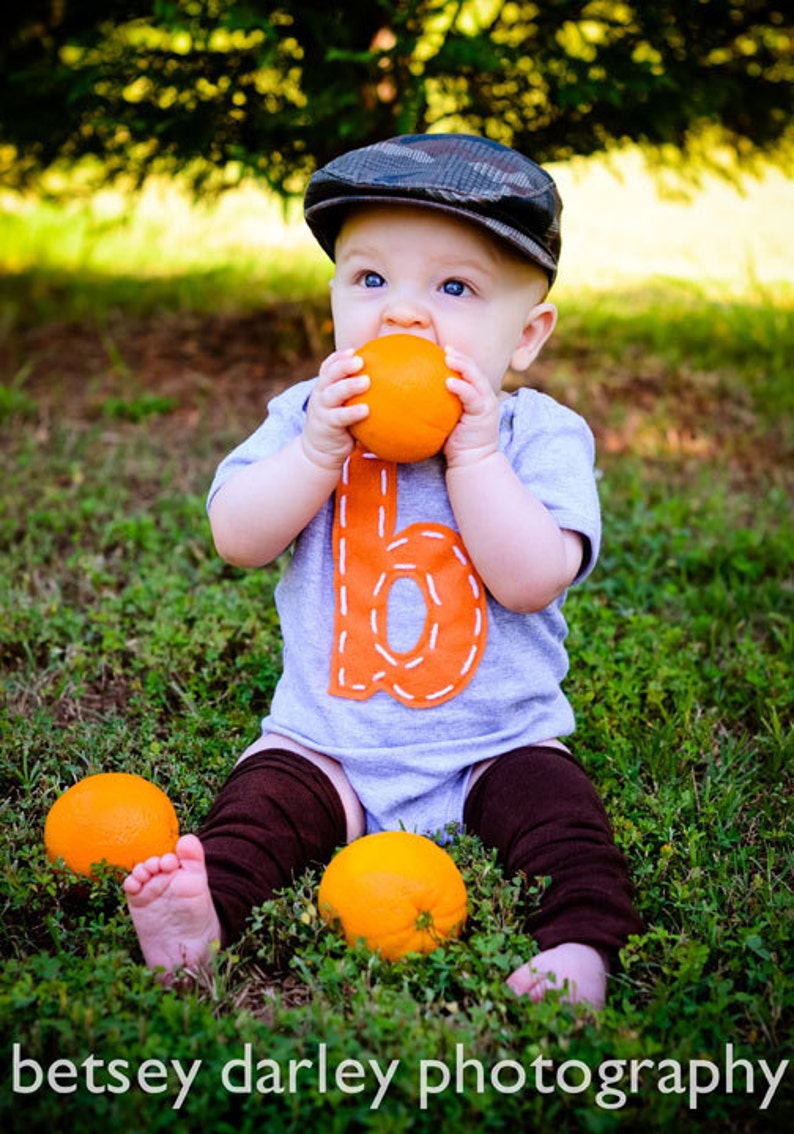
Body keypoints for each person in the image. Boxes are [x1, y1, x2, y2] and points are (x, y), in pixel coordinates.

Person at [124, 133, 643, 1008]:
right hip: (328, 741)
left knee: (564, 828)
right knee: (260, 809)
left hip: (496, 742)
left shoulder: (539, 437)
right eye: (370, 280)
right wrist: (317, 450)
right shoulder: (305, 417)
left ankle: (581, 949)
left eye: (453, 287)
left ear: (527, 335)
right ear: (333, 301)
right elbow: (236, 537)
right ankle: (201, 914)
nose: (402, 314)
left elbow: (530, 580)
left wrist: (474, 458)